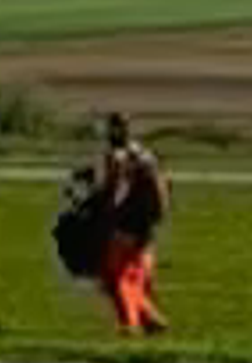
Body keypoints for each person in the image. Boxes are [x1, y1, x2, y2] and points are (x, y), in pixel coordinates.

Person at [54, 110, 169, 337]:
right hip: (145, 225)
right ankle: (149, 318)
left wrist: (97, 210)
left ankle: (130, 324)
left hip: (124, 224)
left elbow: (113, 191)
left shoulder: (116, 156)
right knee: (132, 275)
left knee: (115, 277)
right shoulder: (145, 154)